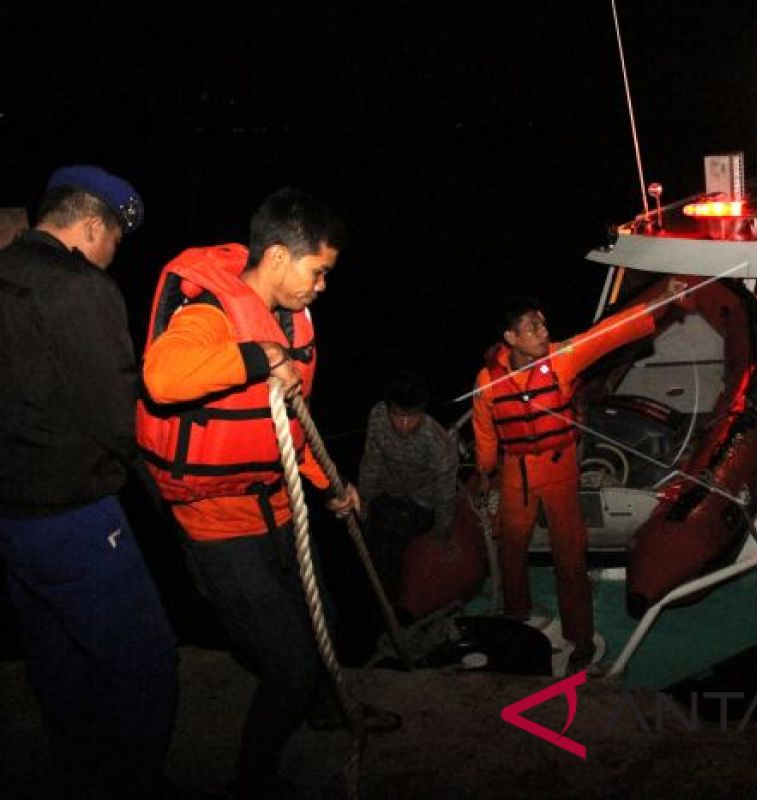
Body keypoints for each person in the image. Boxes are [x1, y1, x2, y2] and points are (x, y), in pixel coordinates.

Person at [137, 188, 395, 797]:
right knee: (289, 661)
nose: (322, 287)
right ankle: (254, 774)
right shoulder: (210, 313)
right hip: (218, 521)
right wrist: (259, 356)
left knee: (326, 626)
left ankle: (327, 711)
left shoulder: (292, 316)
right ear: (278, 257)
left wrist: (331, 484)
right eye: (318, 271)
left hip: (279, 504)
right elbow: (161, 376)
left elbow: (286, 427)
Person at [0, 165, 178, 798]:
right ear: (92, 225)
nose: (112, 255)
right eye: (114, 241)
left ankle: (75, 771)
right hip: (73, 516)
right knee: (147, 664)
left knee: (56, 657)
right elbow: (115, 416)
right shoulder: (80, 289)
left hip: (12, 520)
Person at [471, 280, 690, 671]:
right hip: (515, 473)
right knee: (511, 547)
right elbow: (485, 431)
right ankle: (518, 612)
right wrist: (485, 471)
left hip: (558, 469)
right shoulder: (488, 381)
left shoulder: (562, 359)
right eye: (532, 327)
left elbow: (608, 333)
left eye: (543, 323)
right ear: (510, 338)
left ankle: (580, 638)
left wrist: (661, 300)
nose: (543, 331)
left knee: (570, 557)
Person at [357, 370, 459, 599]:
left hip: (420, 503)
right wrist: (365, 499)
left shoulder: (436, 440)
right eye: (397, 414)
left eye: (411, 416)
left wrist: (441, 533)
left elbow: (445, 491)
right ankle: (374, 595)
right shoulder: (378, 416)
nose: (403, 424)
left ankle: (392, 601)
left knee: (391, 536)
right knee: (369, 529)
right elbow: (371, 460)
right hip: (387, 493)